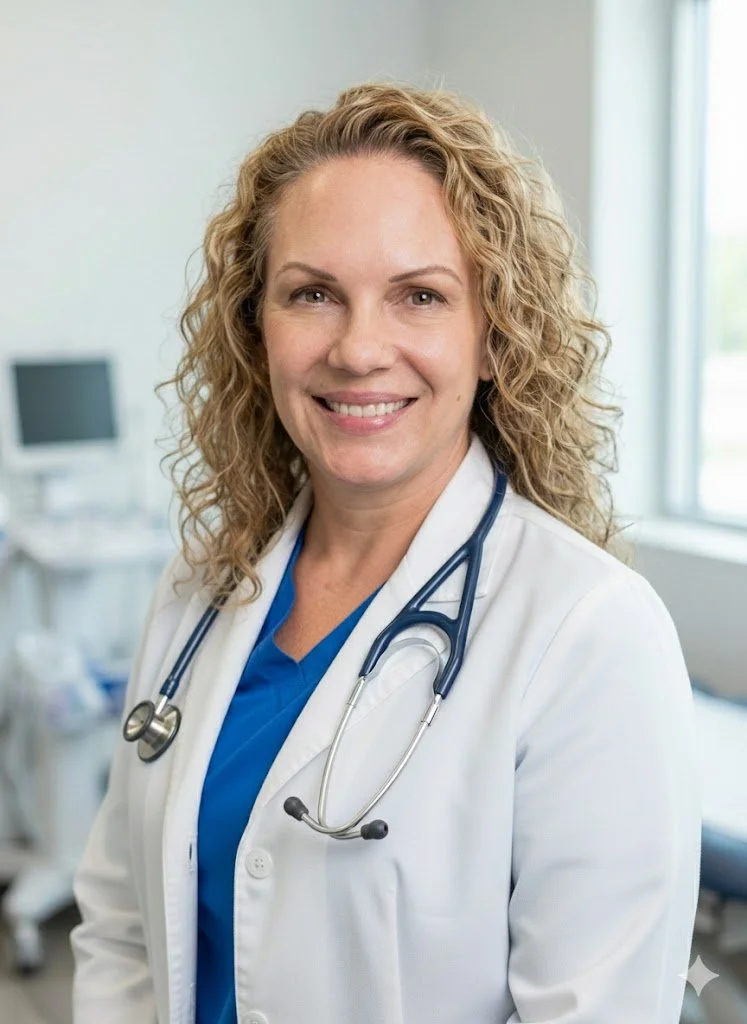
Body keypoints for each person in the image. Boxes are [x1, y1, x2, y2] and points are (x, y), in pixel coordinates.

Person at [71, 83, 701, 1024]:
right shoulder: (203, 584)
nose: (360, 349)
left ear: (494, 336)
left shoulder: (587, 633)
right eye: (313, 294)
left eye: (419, 296)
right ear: (258, 328)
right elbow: (122, 921)